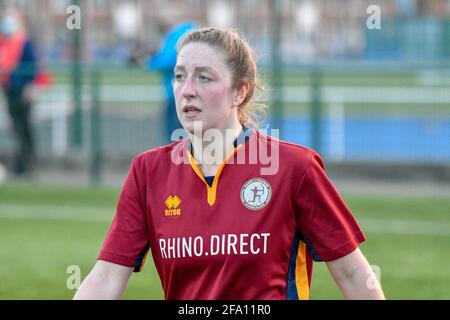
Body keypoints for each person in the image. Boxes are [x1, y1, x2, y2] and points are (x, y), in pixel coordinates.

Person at [74, 27, 384, 300]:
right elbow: (107, 276)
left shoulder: (295, 167)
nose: (187, 89)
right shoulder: (147, 172)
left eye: (204, 77)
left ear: (240, 91)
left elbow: (352, 273)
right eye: (180, 76)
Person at [146, 20, 198, 143]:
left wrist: (151, 60)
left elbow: (166, 61)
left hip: (176, 94)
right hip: (194, 93)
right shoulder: (195, 33)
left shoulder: (177, 35)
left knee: (175, 137)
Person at [0, 9, 38, 177]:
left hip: (21, 91)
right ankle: (20, 163)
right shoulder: (5, 43)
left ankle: (27, 163)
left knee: (23, 127)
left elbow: (32, 68)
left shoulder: (23, 42)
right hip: (10, 90)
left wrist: (29, 88)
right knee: (16, 128)